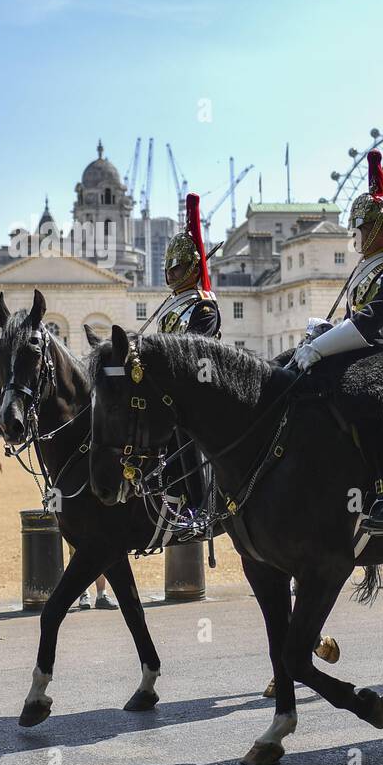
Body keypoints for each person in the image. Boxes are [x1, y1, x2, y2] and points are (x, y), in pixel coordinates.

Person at [286, 150, 383, 537]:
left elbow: (369, 325)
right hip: (360, 354)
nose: (357, 237)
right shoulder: (368, 270)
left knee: (366, 396)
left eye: (362, 229)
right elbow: (354, 323)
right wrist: (323, 333)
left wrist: (324, 344)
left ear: (381, 230)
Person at [150, 192, 221, 542]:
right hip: (169, 387)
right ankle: (163, 492)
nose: (171, 272)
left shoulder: (203, 307)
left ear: (193, 268)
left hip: (200, 384)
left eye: (178, 267)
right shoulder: (170, 307)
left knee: (185, 427)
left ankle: (199, 506)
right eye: (169, 267)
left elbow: (192, 349)